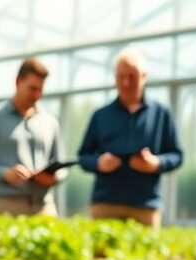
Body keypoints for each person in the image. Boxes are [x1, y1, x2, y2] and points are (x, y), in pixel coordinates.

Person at [76, 47, 183, 227]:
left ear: (144, 76)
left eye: (132, 76)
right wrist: (99, 162)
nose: (126, 82)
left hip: (145, 206)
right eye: (121, 77)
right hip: (105, 205)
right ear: (115, 78)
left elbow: (177, 155)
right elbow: (83, 156)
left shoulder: (161, 114)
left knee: (144, 255)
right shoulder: (100, 115)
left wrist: (156, 163)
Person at [0, 57, 66, 216]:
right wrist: (4, 174)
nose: (36, 95)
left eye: (40, 90)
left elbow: (61, 166)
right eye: (32, 88)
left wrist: (53, 178)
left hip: (44, 207)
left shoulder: (50, 121)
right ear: (18, 82)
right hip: (7, 206)